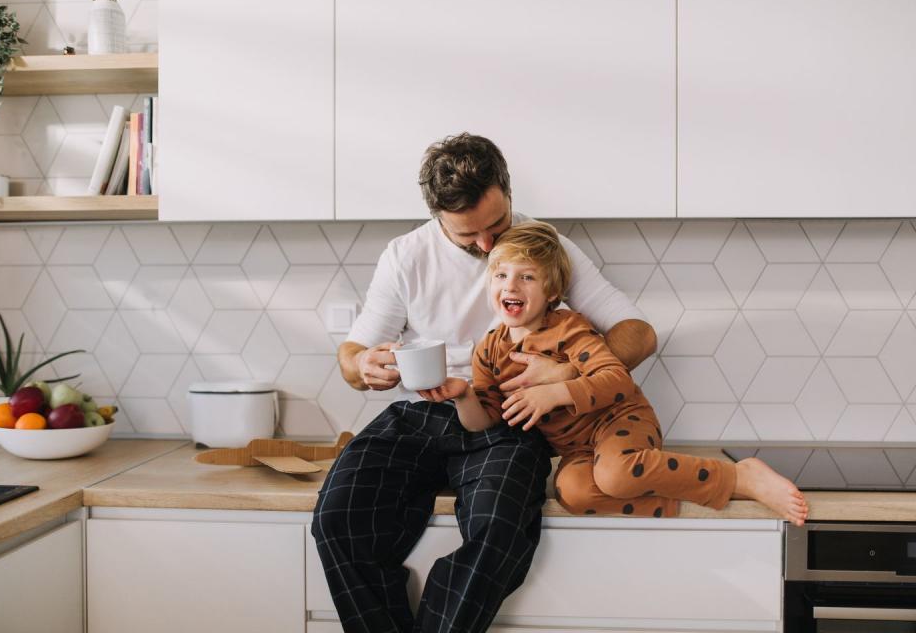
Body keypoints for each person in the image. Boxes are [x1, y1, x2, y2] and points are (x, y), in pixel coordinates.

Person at [311, 133, 657, 633]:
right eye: (467, 236)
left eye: (496, 226)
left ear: (508, 191)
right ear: (437, 218)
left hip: (507, 420)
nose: (488, 246)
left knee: (501, 531)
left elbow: (638, 334)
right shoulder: (405, 256)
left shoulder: (544, 246)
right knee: (337, 518)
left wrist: (568, 374)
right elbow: (350, 356)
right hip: (421, 415)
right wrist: (363, 365)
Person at [426, 221, 809, 524]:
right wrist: (462, 395)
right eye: (501, 275)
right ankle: (684, 500)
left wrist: (557, 392)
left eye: (526, 277)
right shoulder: (490, 349)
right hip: (578, 449)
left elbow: (616, 379)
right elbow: (486, 420)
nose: (511, 285)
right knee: (572, 492)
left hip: (619, 420)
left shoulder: (568, 327)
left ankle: (739, 477)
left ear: (551, 290)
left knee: (615, 476)